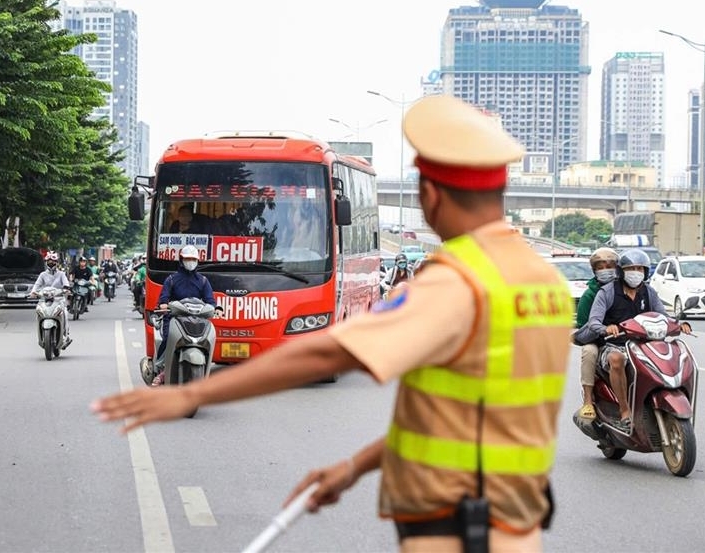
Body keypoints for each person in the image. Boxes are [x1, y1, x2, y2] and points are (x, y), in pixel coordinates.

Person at [92, 95, 573, 552]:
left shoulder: (458, 282)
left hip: (453, 525)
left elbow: (329, 351)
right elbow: (458, 419)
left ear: (430, 193)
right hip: (514, 522)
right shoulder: (543, 283)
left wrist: (194, 393)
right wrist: (350, 468)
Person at [574, 248, 692, 431]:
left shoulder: (649, 292)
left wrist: (678, 324)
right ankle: (624, 411)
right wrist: (606, 328)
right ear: (621, 271)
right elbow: (593, 322)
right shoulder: (606, 292)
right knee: (615, 359)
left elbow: (662, 315)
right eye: (631, 268)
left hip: (644, 344)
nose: (635, 273)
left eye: (640, 269)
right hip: (614, 344)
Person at [150, 245, 223, 386]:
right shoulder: (171, 279)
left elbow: (210, 301)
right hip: (174, 318)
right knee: (167, 339)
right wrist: (164, 305)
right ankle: (161, 370)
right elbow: (163, 299)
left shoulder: (202, 281)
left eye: (193, 259)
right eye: (188, 259)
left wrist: (216, 309)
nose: (190, 262)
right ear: (181, 260)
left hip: (197, 319)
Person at [573, 247, 619, 421]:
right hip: (598, 340)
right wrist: (603, 330)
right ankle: (587, 400)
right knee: (589, 352)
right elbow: (584, 327)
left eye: (610, 265)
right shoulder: (589, 295)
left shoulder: (625, 289)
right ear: (594, 270)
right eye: (601, 266)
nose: (606, 270)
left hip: (624, 337)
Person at [30, 252, 72, 347]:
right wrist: (33, 292)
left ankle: (66, 334)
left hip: (58, 299)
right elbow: (37, 285)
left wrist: (67, 290)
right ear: (46, 262)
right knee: (38, 313)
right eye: (49, 261)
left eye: (53, 261)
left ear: (57, 262)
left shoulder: (61, 274)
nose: (51, 262)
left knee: (65, 313)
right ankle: (41, 334)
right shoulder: (42, 275)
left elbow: (66, 284)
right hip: (44, 300)